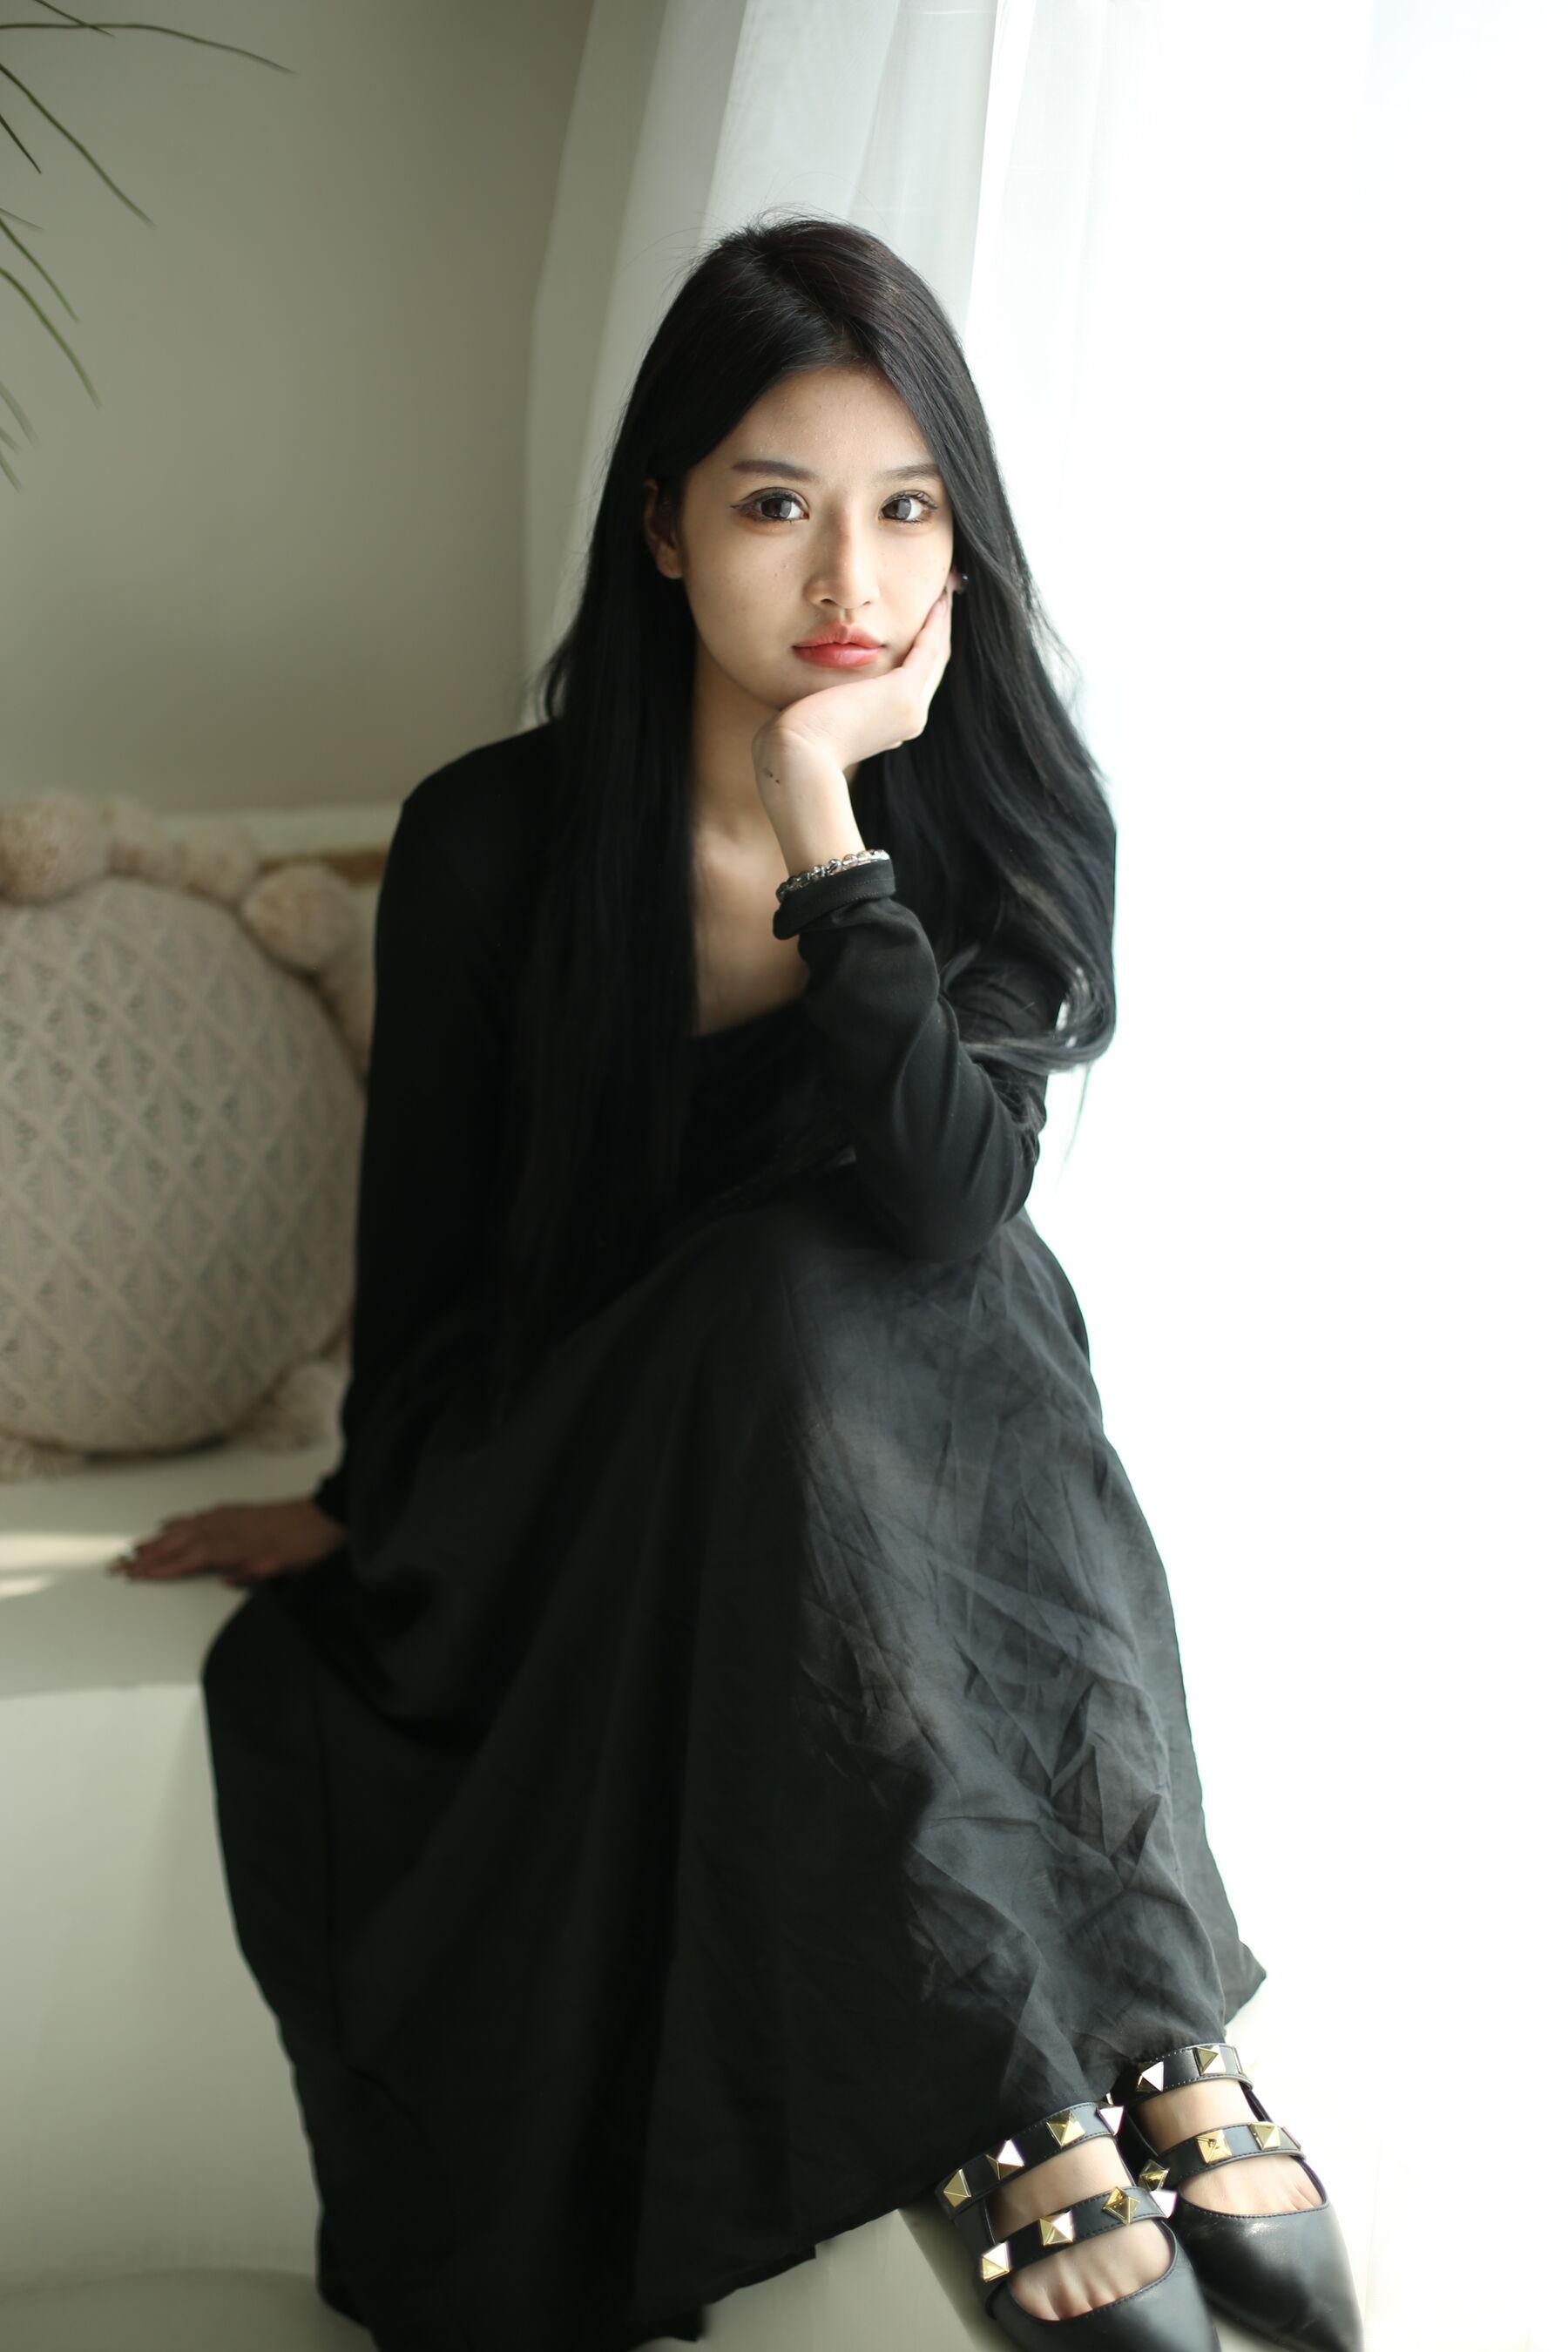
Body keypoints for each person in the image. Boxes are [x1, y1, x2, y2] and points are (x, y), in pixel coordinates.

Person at [111, 216, 1362, 2352]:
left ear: (963, 545)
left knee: (959, 1280)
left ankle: (1113, 2058)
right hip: (578, 1485)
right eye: (780, 507)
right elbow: (430, 1267)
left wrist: (820, 817)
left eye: (907, 512)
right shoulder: (493, 843)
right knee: (798, 1286)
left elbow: (952, 1207)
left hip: (869, 1473)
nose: (849, 582)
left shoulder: (1000, 828)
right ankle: (1058, 2076)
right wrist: (360, 1506)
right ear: (667, 530)